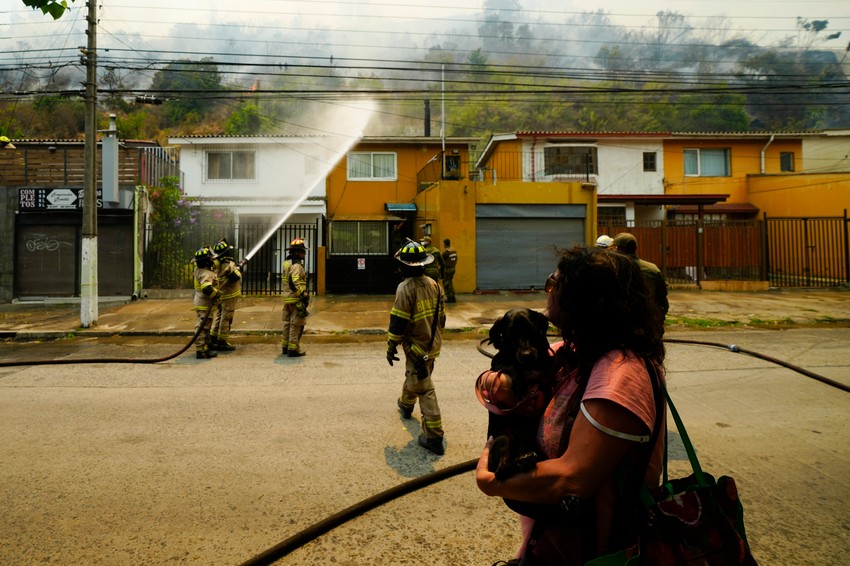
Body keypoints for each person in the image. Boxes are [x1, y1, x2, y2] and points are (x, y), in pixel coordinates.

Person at [476, 247, 666, 565]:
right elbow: (502, 377)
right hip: (552, 544)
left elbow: (572, 479)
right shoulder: (578, 352)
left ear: (584, 300)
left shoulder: (621, 374)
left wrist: (490, 482)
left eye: (555, 283)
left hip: (595, 553)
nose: (548, 289)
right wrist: (497, 386)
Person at [387, 240, 447, 455]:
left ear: (404, 266)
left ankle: (434, 437)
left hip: (416, 347)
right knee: (417, 376)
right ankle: (405, 404)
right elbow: (442, 318)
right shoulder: (434, 284)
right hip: (432, 345)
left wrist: (391, 344)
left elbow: (399, 322)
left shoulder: (405, 288)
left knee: (425, 387)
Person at [612, 232, 669, 318]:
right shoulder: (652, 269)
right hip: (647, 318)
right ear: (636, 248)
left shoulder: (613, 269)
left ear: (618, 249)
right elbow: (662, 298)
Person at [210, 238, 242, 351]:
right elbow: (236, 276)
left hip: (221, 295)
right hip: (229, 295)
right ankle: (222, 342)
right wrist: (239, 268)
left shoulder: (217, 264)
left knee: (219, 316)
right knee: (226, 318)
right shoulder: (228, 264)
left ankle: (213, 337)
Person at [281, 237, 310, 357]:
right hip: (296, 298)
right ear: (297, 252)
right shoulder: (296, 266)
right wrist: (302, 295)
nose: (304, 253)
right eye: (302, 251)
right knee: (296, 324)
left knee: (287, 323)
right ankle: (293, 349)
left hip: (287, 298)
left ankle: (285, 346)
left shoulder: (286, 263)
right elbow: (294, 282)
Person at [192, 246, 220, 360]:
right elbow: (206, 288)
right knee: (202, 327)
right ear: (206, 261)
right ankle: (201, 350)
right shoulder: (206, 274)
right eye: (210, 259)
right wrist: (216, 294)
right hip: (204, 304)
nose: (212, 261)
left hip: (201, 303)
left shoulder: (198, 270)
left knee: (206, 326)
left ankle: (206, 347)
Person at [441, 238, 458, 303]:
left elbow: (441, 260)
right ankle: (453, 296)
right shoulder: (453, 251)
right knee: (450, 282)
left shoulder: (446, 252)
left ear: (445, 244)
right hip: (453, 268)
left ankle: (449, 297)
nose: (442, 244)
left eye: (443, 243)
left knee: (446, 283)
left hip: (447, 269)